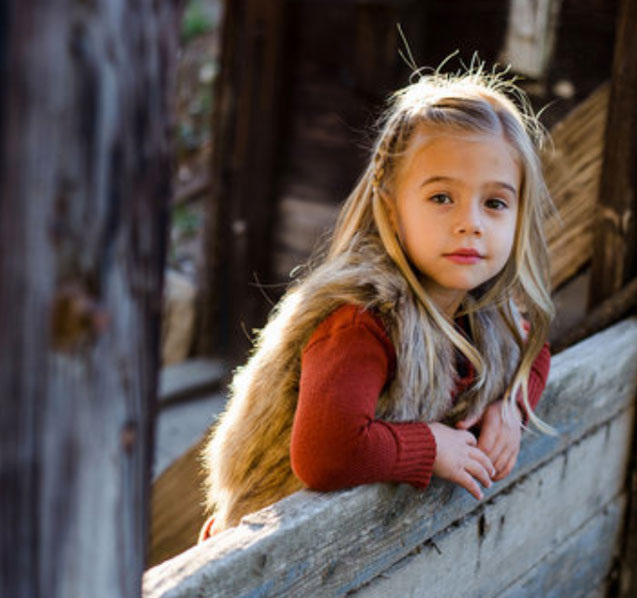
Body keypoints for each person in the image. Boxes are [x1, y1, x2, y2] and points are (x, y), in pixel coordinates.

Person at [200, 65, 556, 541]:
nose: (470, 223)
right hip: (264, 556)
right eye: (442, 197)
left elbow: (535, 354)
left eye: (494, 203)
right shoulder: (364, 318)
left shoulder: (483, 309)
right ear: (390, 205)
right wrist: (430, 446)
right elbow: (327, 454)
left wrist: (511, 404)